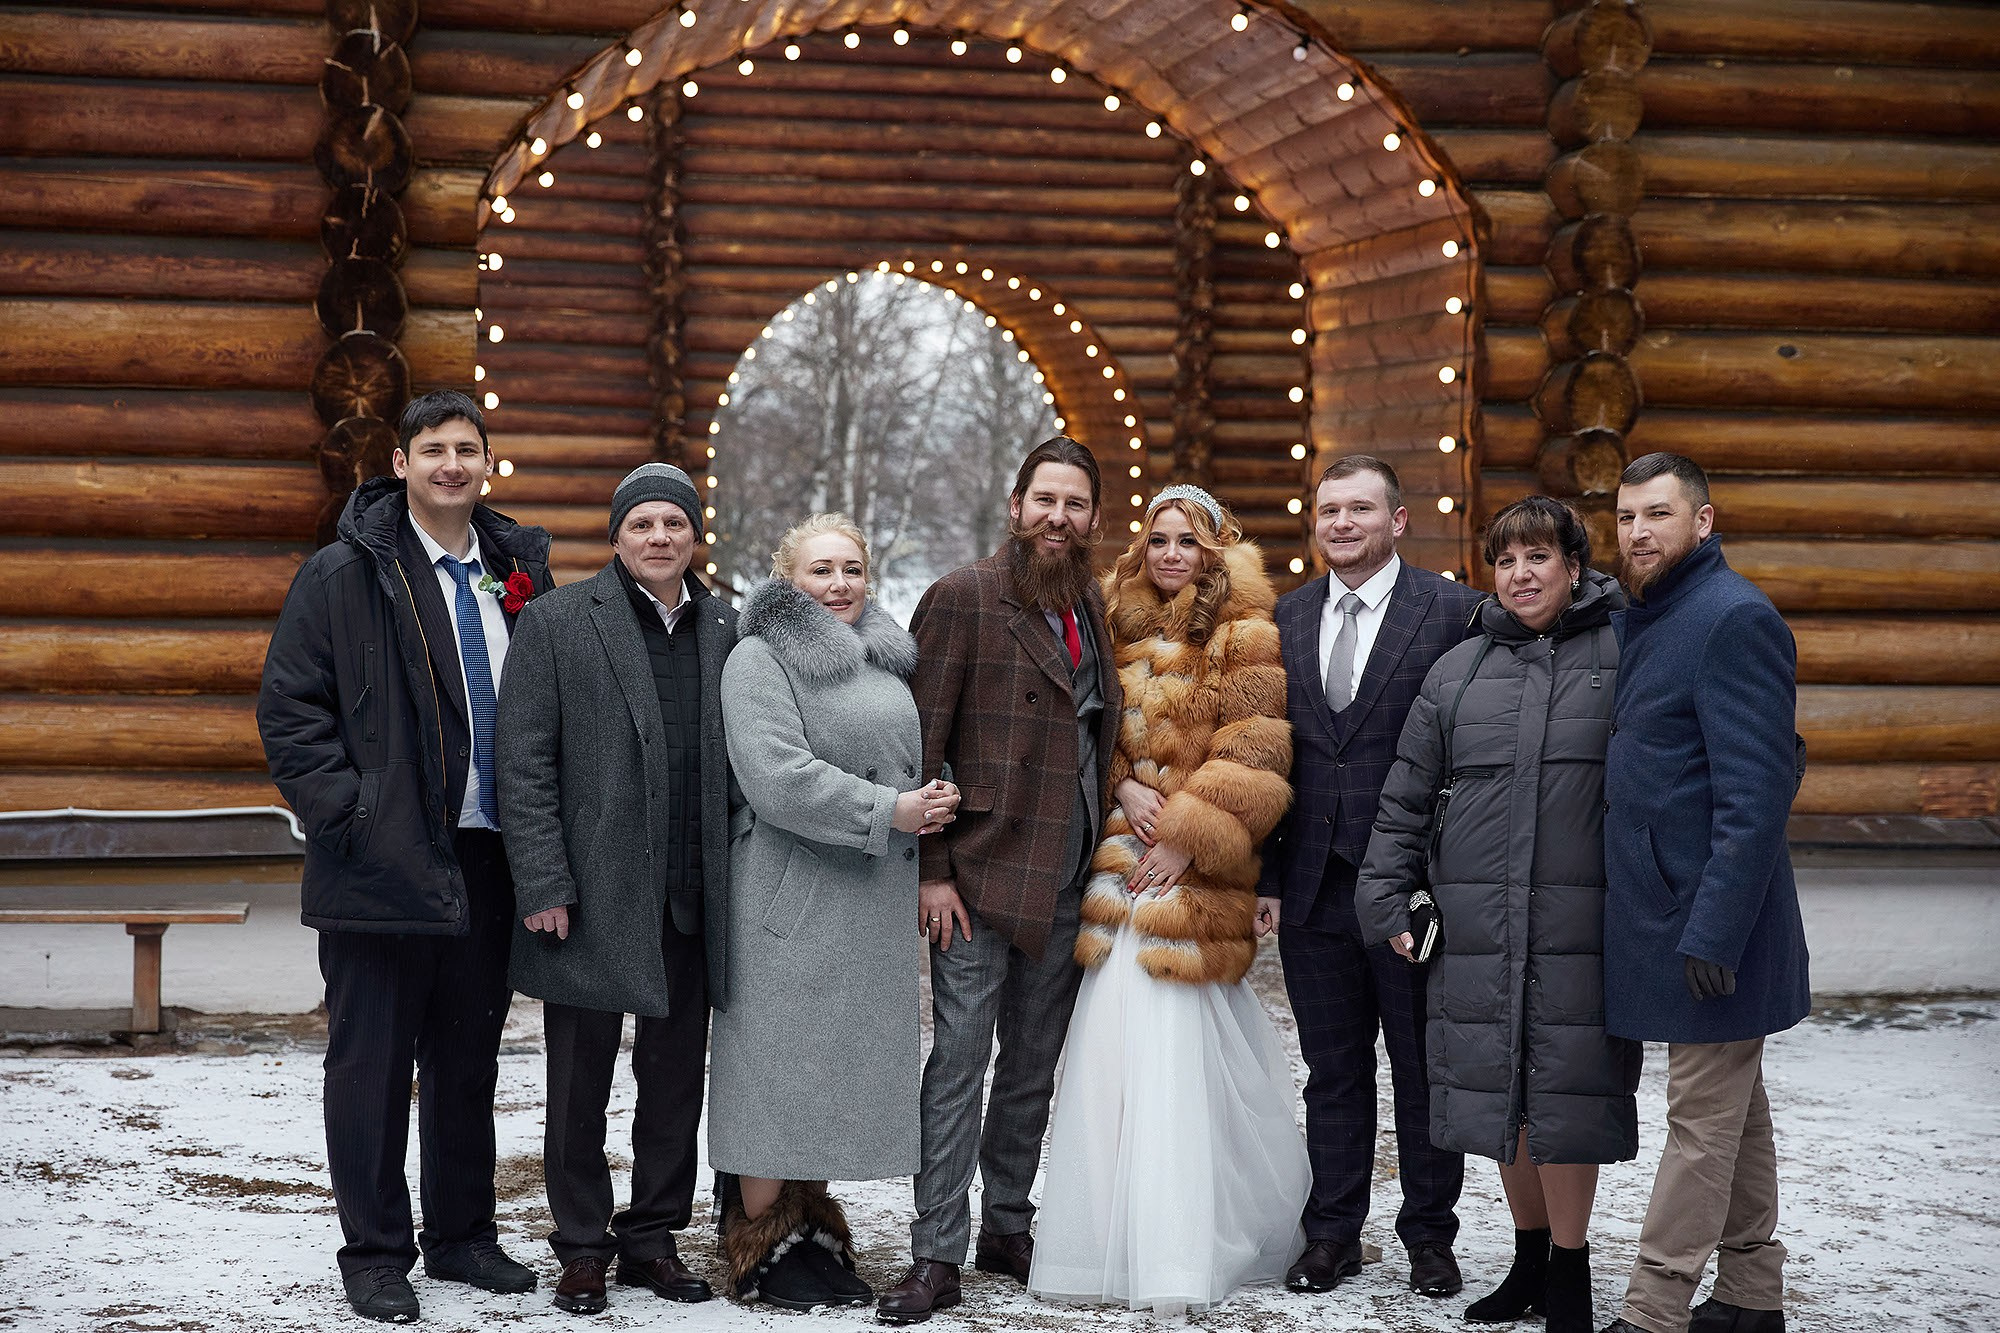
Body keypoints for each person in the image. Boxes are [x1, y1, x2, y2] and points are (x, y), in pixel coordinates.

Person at [257, 389, 550, 1323]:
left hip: (488, 858)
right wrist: (351, 815)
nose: (451, 464)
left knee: (467, 1061)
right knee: (372, 1067)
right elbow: (290, 710)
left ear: (486, 463)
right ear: (401, 464)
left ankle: (462, 1234)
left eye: (467, 448)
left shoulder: (519, 573)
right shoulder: (344, 573)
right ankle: (377, 1252)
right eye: (433, 449)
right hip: (379, 859)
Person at [1356, 496, 1641, 1333]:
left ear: (1574, 567)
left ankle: (1570, 1274)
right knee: (1501, 1095)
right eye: (1507, 560)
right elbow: (1405, 798)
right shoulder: (1459, 670)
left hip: (1580, 926)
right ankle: (1528, 1258)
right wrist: (1386, 895)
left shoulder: (1625, 652)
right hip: (1477, 924)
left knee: (1566, 1098)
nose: (1520, 575)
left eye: (1538, 558)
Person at [1027, 485, 1309, 1316]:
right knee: (1110, 1043)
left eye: (1188, 540)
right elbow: (1091, 730)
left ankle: (1177, 1248)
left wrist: (1187, 834)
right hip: (1117, 860)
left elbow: (1255, 751)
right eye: (1158, 539)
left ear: (1214, 548)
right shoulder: (1113, 621)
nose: (1171, 553)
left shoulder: (1244, 633)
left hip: (1193, 870)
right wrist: (1123, 786)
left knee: (1175, 1045)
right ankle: (1097, 1238)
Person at [877, 436, 1123, 1325]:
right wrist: (932, 873)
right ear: (1016, 506)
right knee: (959, 1063)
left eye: (1075, 503)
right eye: (1045, 499)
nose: (1059, 517)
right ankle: (935, 1251)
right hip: (978, 876)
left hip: (1067, 874)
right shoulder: (963, 596)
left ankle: (1007, 1225)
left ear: (1092, 517)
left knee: (1031, 1064)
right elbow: (920, 743)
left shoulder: (1090, 601)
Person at [493, 463, 734, 1316]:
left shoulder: (728, 628)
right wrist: (543, 880)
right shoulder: (558, 622)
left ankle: (652, 1238)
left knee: (674, 1081)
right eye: (642, 523)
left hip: (692, 893)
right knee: (578, 1084)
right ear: (617, 535)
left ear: (694, 535)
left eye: (675, 522)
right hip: (589, 897)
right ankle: (583, 1245)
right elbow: (522, 762)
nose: (659, 537)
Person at [709, 514, 960, 1310]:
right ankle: (760, 1241)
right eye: (821, 569)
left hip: (865, 900)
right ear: (787, 577)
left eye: (852, 568)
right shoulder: (758, 657)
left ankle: (810, 1230)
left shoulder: (882, 657)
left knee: (825, 1069)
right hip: (789, 899)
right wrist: (892, 809)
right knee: (774, 1067)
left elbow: (901, 755)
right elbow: (775, 776)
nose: (840, 583)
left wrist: (932, 794)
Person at [1257, 454, 1485, 1299]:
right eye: (1330, 511)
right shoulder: (1284, 617)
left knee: (1423, 1070)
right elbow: (1269, 756)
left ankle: (1430, 1236)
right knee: (1334, 1072)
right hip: (1313, 887)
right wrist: (1268, 876)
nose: (1342, 524)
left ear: (1397, 520)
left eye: (1360, 509)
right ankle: (1332, 1234)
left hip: (1416, 891)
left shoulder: (1455, 611)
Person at [1598, 453, 1810, 1333]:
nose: (1638, 531)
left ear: (1703, 521)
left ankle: (1654, 1308)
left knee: (1699, 1123)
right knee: (1734, 1115)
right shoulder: (1652, 612)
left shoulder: (1733, 618)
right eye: (1626, 517)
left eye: (1658, 513)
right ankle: (1754, 1293)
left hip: (1715, 927)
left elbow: (1756, 795)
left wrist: (1715, 931)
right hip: (1669, 914)